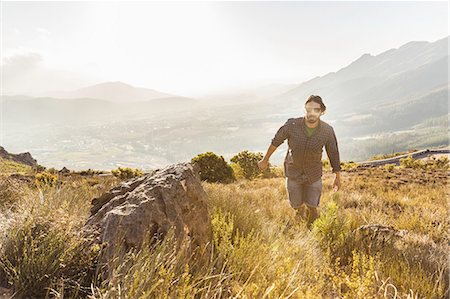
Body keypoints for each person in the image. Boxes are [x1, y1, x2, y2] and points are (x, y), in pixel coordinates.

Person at [258, 95, 341, 227]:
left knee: (313, 205)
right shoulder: (292, 125)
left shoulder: (327, 131)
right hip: (293, 172)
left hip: (313, 174)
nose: (311, 113)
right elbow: (276, 141)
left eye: (316, 110)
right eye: (308, 109)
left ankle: (312, 227)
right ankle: (299, 223)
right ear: (304, 109)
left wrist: (337, 176)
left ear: (322, 111)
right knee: (296, 205)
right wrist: (265, 159)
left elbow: (333, 152)